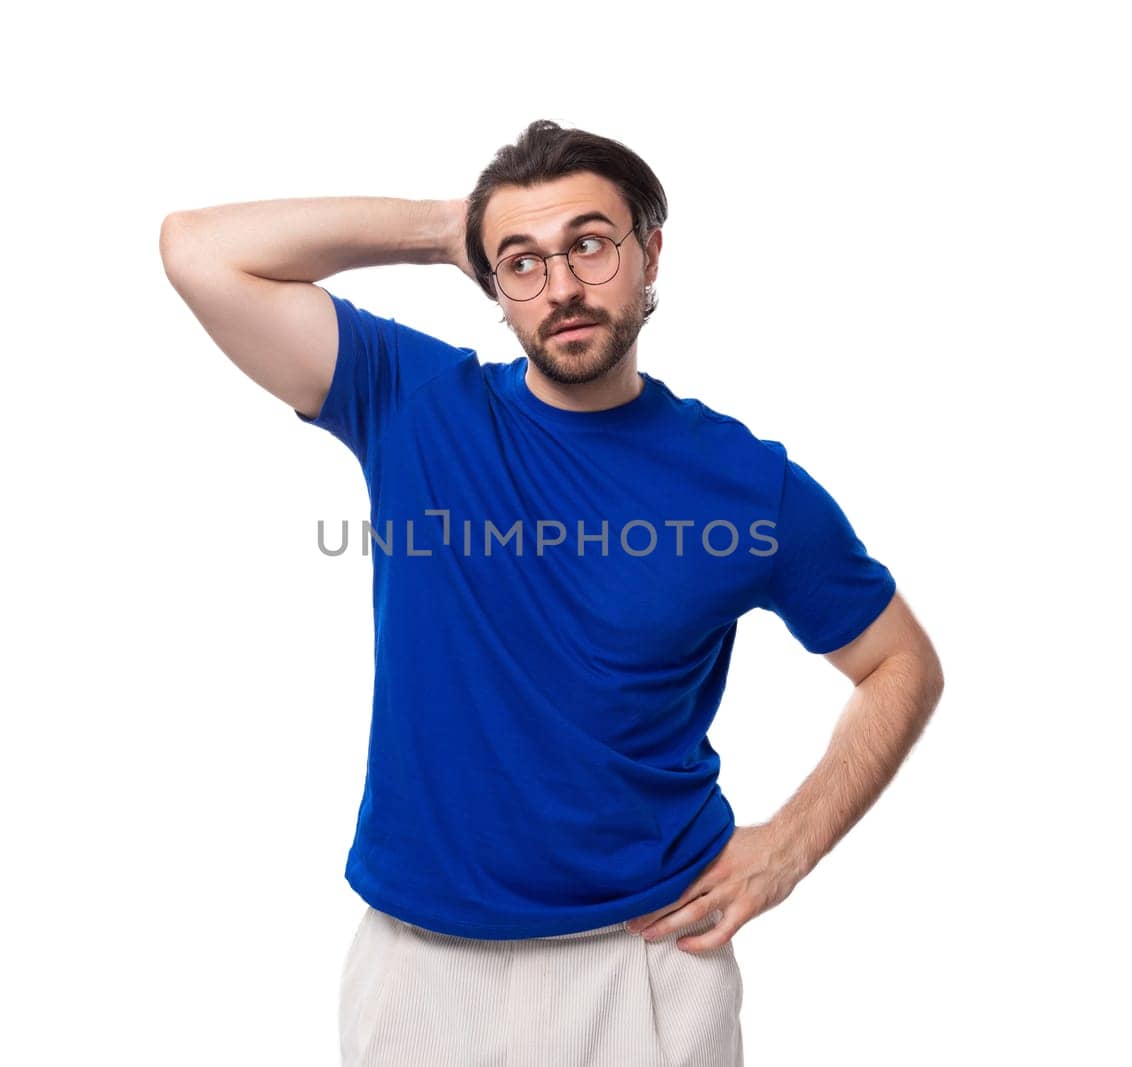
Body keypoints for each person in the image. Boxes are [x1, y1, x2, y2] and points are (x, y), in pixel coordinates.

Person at [160, 119, 945, 1066]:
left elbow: (900, 661)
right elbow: (199, 252)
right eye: (521, 263)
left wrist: (792, 844)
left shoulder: (748, 484)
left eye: (588, 244)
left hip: (648, 959)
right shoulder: (412, 402)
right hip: (421, 966)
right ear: (492, 285)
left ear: (650, 252)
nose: (562, 286)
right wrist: (442, 227)